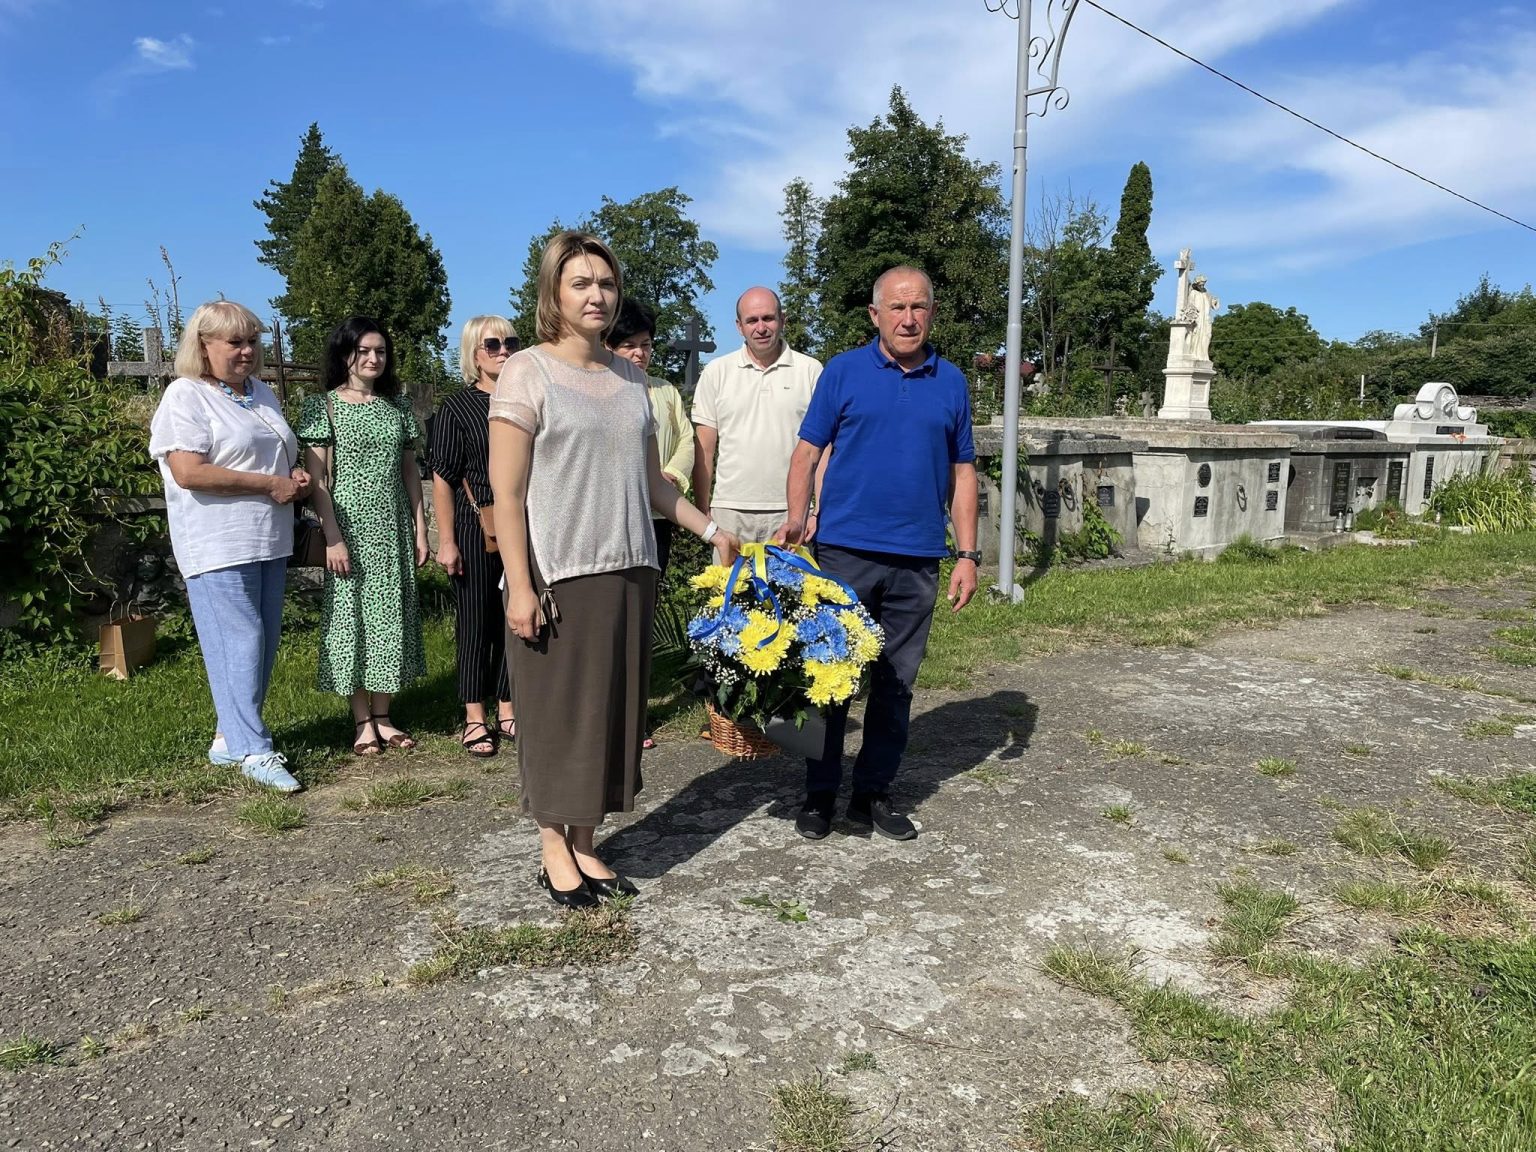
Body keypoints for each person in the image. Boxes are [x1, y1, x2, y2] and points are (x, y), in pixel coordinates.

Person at [488, 231, 739, 909]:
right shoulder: (527, 372)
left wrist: (711, 529)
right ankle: (553, 848)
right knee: (559, 717)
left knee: (610, 718)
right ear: (553, 292)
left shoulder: (633, 380)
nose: (595, 295)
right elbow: (507, 494)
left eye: (605, 283)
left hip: (631, 567)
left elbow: (652, 483)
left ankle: (585, 840)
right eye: (580, 283)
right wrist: (520, 585)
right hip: (558, 573)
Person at [776, 266, 980, 842]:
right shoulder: (842, 372)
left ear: (932, 313)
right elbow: (806, 452)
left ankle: (873, 794)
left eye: (918, 307)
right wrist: (797, 517)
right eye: (897, 307)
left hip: (918, 557)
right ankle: (819, 794)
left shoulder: (952, 382)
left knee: (896, 684)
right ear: (875, 315)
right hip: (844, 553)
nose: (908, 319)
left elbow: (964, 472)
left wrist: (968, 553)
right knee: (830, 676)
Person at [148, 301, 309, 792]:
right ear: (203, 346)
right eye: (235, 342)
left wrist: (292, 476)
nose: (247, 351)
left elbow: (269, 454)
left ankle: (227, 737)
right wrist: (270, 484)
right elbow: (188, 472)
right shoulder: (186, 395)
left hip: (268, 536)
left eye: (253, 341)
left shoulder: (261, 393)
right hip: (217, 541)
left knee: (263, 642)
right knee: (240, 641)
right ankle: (254, 750)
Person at [298, 317, 429, 755]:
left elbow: (410, 472)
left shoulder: (398, 407)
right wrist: (333, 537)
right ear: (345, 354)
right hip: (349, 526)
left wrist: (420, 528)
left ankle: (384, 716)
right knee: (351, 619)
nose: (374, 359)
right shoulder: (323, 406)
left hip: (392, 528)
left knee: (389, 617)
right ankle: (361, 720)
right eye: (364, 351)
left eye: (381, 351)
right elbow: (317, 480)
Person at [431, 316, 519, 757]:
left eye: (511, 343)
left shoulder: (525, 400)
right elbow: (442, 478)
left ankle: (507, 706)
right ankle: (473, 716)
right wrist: (446, 540)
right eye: (493, 344)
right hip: (474, 524)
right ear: (474, 354)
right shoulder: (456, 408)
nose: (504, 351)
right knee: (475, 621)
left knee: (514, 617)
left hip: (521, 523)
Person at [691, 287, 821, 556]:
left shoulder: (811, 370)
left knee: (793, 585)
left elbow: (823, 448)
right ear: (739, 326)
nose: (761, 328)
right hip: (730, 511)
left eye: (768, 318)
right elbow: (704, 447)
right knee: (727, 585)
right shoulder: (716, 372)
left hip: (791, 512)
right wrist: (703, 509)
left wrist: (817, 510)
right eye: (752, 320)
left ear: (782, 320)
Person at [607, 298, 693, 573]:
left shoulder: (665, 390)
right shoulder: (600, 393)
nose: (639, 353)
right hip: (617, 513)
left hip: (660, 510)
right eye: (629, 346)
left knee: (654, 582)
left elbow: (686, 438)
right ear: (609, 347)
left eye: (645, 345)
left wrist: (672, 475)